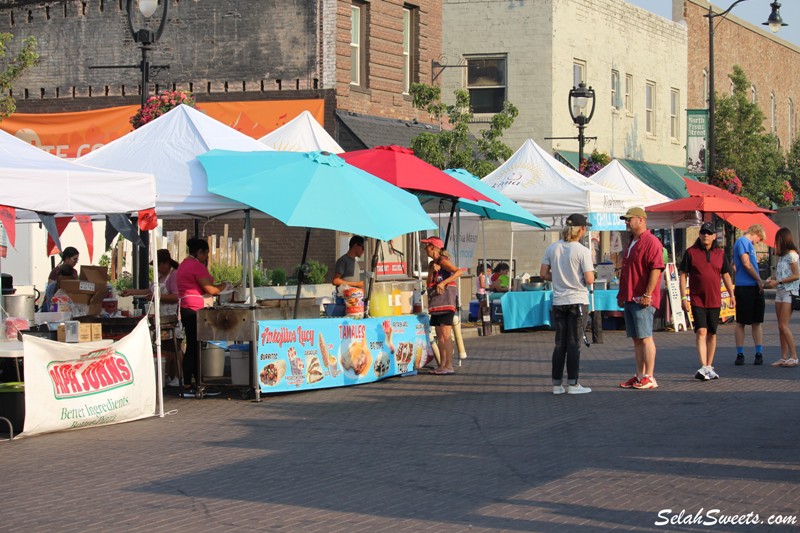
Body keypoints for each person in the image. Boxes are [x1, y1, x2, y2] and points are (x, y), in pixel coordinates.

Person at [540, 213, 594, 395]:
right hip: (577, 299)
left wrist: (560, 277)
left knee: (559, 343)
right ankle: (573, 383)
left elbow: (543, 274)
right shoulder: (582, 251)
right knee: (574, 343)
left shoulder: (552, 248)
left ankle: (557, 384)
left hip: (558, 300)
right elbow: (589, 278)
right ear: (581, 229)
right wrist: (574, 278)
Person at [678, 222, 736, 381]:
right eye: (703, 232)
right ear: (699, 234)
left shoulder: (720, 253)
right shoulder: (691, 252)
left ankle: (709, 366)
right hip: (697, 299)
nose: (705, 235)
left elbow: (726, 275)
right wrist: (684, 297)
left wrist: (732, 295)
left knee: (712, 332)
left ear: (714, 236)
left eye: (708, 233)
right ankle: (703, 365)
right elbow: (683, 275)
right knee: (701, 331)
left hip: (715, 299)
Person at [617, 207, 665, 390]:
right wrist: (622, 294)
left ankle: (650, 376)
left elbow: (656, 268)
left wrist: (647, 294)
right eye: (626, 220)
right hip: (630, 297)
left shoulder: (651, 241)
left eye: (629, 219)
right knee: (636, 338)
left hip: (642, 298)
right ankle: (639, 375)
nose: (627, 223)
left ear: (641, 220)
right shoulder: (631, 242)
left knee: (646, 337)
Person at [122, 249, 182, 387]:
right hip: (161, 317)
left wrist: (157, 297)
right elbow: (149, 291)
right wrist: (132, 292)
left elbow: (175, 296)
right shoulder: (160, 277)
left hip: (173, 316)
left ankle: (179, 376)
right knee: (165, 347)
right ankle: (167, 375)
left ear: (166, 263)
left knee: (175, 347)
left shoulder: (173, 275)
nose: (157, 269)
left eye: (159, 265)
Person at [176, 238, 228, 394]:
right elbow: (211, 290)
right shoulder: (195, 266)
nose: (206, 258)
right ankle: (190, 384)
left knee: (194, 345)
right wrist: (225, 285)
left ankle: (197, 381)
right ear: (200, 252)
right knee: (194, 347)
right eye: (206, 254)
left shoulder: (184, 265)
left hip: (186, 308)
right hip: (193, 309)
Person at [422, 236, 463, 375]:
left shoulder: (444, 261)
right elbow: (428, 282)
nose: (425, 248)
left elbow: (459, 271)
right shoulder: (432, 263)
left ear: (433, 247)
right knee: (439, 334)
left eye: (427, 245)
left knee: (446, 333)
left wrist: (444, 282)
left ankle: (449, 365)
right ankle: (442, 364)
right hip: (437, 303)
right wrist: (433, 271)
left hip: (446, 302)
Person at [764, 227, 799, 367]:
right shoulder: (782, 257)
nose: (776, 243)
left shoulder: (792, 255)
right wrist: (772, 279)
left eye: (778, 240)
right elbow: (782, 274)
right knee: (780, 326)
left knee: (783, 325)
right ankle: (784, 357)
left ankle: (794, 356)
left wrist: (778, 281)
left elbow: (796, 275)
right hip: (780, 291)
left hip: (789, 292)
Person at [732, 224, 766, 365]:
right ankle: (740, 353)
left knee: (756, 321)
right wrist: (759, 279)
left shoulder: (747, 245)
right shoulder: (742, 242)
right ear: (756, 233)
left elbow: (737, 264)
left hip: (752, 286)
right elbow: (746, 263)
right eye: (760, 238)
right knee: (741, 321)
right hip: (745, 286)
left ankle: (759, 352)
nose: (758, 242)